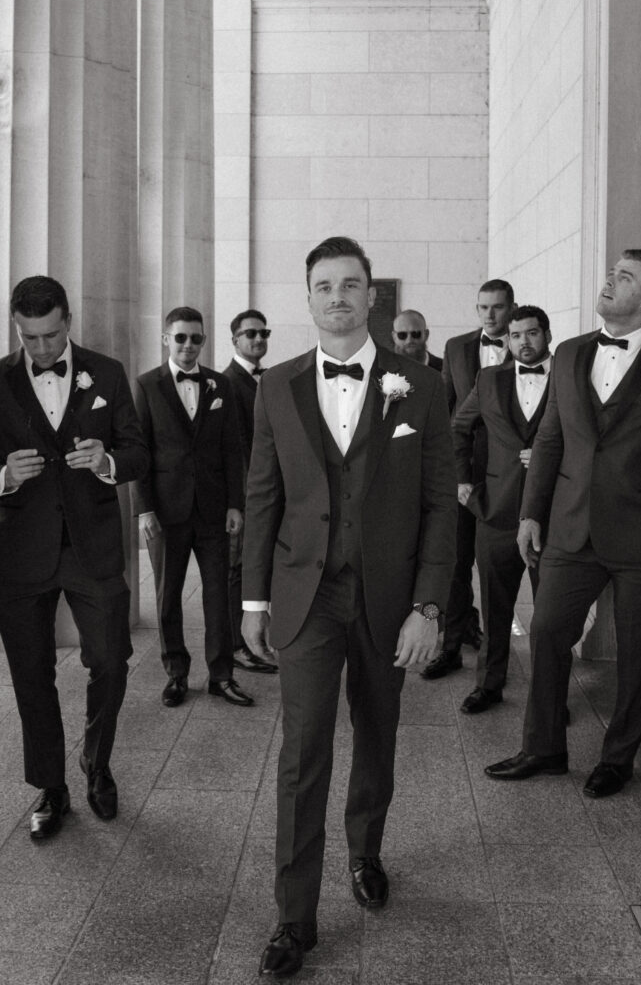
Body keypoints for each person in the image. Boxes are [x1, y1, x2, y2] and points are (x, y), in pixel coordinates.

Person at [241, 236, 458, 977]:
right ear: (308, 298)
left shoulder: (420, 389)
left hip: (389, 599)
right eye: (323, 285)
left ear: (372, 296)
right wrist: (251, 600)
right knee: (302, 755)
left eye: (350, 284)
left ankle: (364, 852)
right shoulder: (276, 386)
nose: (337, 296)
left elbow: (439, 507)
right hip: (306, 596)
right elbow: (262, 495)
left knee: (376, 732)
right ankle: (293, 918)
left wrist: (428, 606)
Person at [486, 250, 641, 798]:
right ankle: (544, 748)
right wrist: (530, 511)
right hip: (571, 529)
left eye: (624, 278)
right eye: (611, 272)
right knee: (547, 632)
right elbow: (550, 438)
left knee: (638, 652)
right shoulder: (570, 353)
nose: (609, 281)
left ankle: (618, 760)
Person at [0, 275, 148, 840]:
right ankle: (50, 786)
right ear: (18, 327)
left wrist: (108, 458)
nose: (41, 348)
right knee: (31, 675)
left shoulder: (106, 372)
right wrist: (4, 476)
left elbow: (138, 453)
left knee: (110, 661)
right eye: (29, 338)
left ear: (69, 321)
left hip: (94, 551)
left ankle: (97, 762)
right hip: (19, 556)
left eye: (51, 336)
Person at [132, 307, 253, 709]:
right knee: (168, 596)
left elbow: (232, 449)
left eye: (196, 339)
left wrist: (236, 503)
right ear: (166, 339)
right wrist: (145, 509)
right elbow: (140, 452)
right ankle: (176, 673)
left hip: (215, 510)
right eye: (180, 338)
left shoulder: (220, 385)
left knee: (218, 595)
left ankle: (222, 675)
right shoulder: (146, 385)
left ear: (204, 341)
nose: (188, 346)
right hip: (167, 510)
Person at [453, 306, 552, 713]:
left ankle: (549, 697)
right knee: (495, 608)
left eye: (531, 333)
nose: (523, 342)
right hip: (495, 511)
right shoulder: (489, 379)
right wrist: (463, 483)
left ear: (547, 334)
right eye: (515, 336)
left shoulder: (568, 377)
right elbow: (459, 427)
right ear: (506, 340)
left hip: (552, 514)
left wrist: (549, 457)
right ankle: (489, 685)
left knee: (550, 616)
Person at [422, 279, 515, 680]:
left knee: (498, 568)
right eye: (483, 307)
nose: (490, 314)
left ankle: (496, 661)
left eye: (497, 307)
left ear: (510, 308)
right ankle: (451, 646)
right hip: (461, 472)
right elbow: (446, 411)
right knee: (456, 563)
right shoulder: (456, 347)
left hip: (509, 475)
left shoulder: (529, 345)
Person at [223, 310, 277, 674]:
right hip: (247, 496)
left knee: (260, 567)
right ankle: (238, 646)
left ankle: (260, 638)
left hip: (273, 490)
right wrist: (238, 503)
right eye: (250, 334)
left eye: (263, 332)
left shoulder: (272, 379)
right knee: (239, 571)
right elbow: (233, 447)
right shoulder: (227, 382)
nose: (258, 339)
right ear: (235, 340)